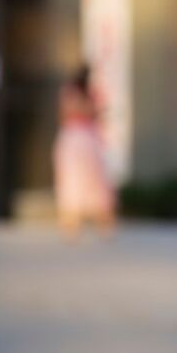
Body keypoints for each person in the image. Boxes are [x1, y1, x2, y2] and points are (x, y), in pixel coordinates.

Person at [52, 64, 116, 241]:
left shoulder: (86, 92)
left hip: (82, 138)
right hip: (79, 138)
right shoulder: (74, 93)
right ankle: (71, 227)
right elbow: (71, 112)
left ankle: (101, 227)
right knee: (74, 182)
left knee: (93, 183)